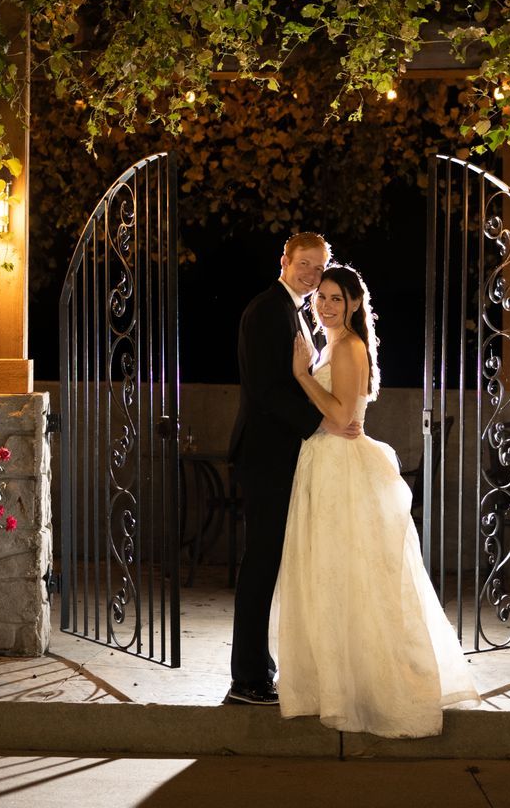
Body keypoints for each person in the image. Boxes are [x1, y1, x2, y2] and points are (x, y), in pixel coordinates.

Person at [276, 263, 478, 738]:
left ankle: (370, 688)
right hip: (325, 464)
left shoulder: (348, 348)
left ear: (353, 304)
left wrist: (302, 377)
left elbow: (343, 415)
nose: (325, 305)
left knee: (355, 577)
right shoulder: (332, 344)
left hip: (342, 469)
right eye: (321, 297)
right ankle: (334, 681)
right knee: (330, 578)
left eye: (336, 299)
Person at [226, 233, 358, 706]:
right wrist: (323, 421)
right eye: (303, 264)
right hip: (265, 457)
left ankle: (259, 664)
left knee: (268, 562)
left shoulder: (296, 310)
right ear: (284, 261)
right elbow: (265, 391)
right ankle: (247, 679)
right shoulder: (268, 310)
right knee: (260, 563)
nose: (310, 274)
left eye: (318, 268)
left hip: (281, 455)